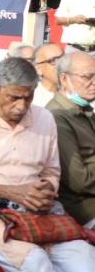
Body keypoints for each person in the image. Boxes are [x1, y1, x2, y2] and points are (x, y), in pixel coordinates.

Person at [0, 57, 95, 272]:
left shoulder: (44, 118)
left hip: (39, 211)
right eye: (14, 97)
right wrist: (11, 192)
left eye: (28, 97)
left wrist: (44, 191)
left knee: (86, 263)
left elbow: (52, 173)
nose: (21, 106)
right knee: (37, 265)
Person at [47, 52, 95, 229]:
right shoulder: (57, 117)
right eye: (87, 77)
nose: (94, 82)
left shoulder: (83, 109)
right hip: (84, 209)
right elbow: (79, 180)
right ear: (64, 78)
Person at [33, 43, 64, 107]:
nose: (61, 64)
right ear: (38, 69)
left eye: (63, 58)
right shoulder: (33, 98)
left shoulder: (72, 93)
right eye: (53, 61)